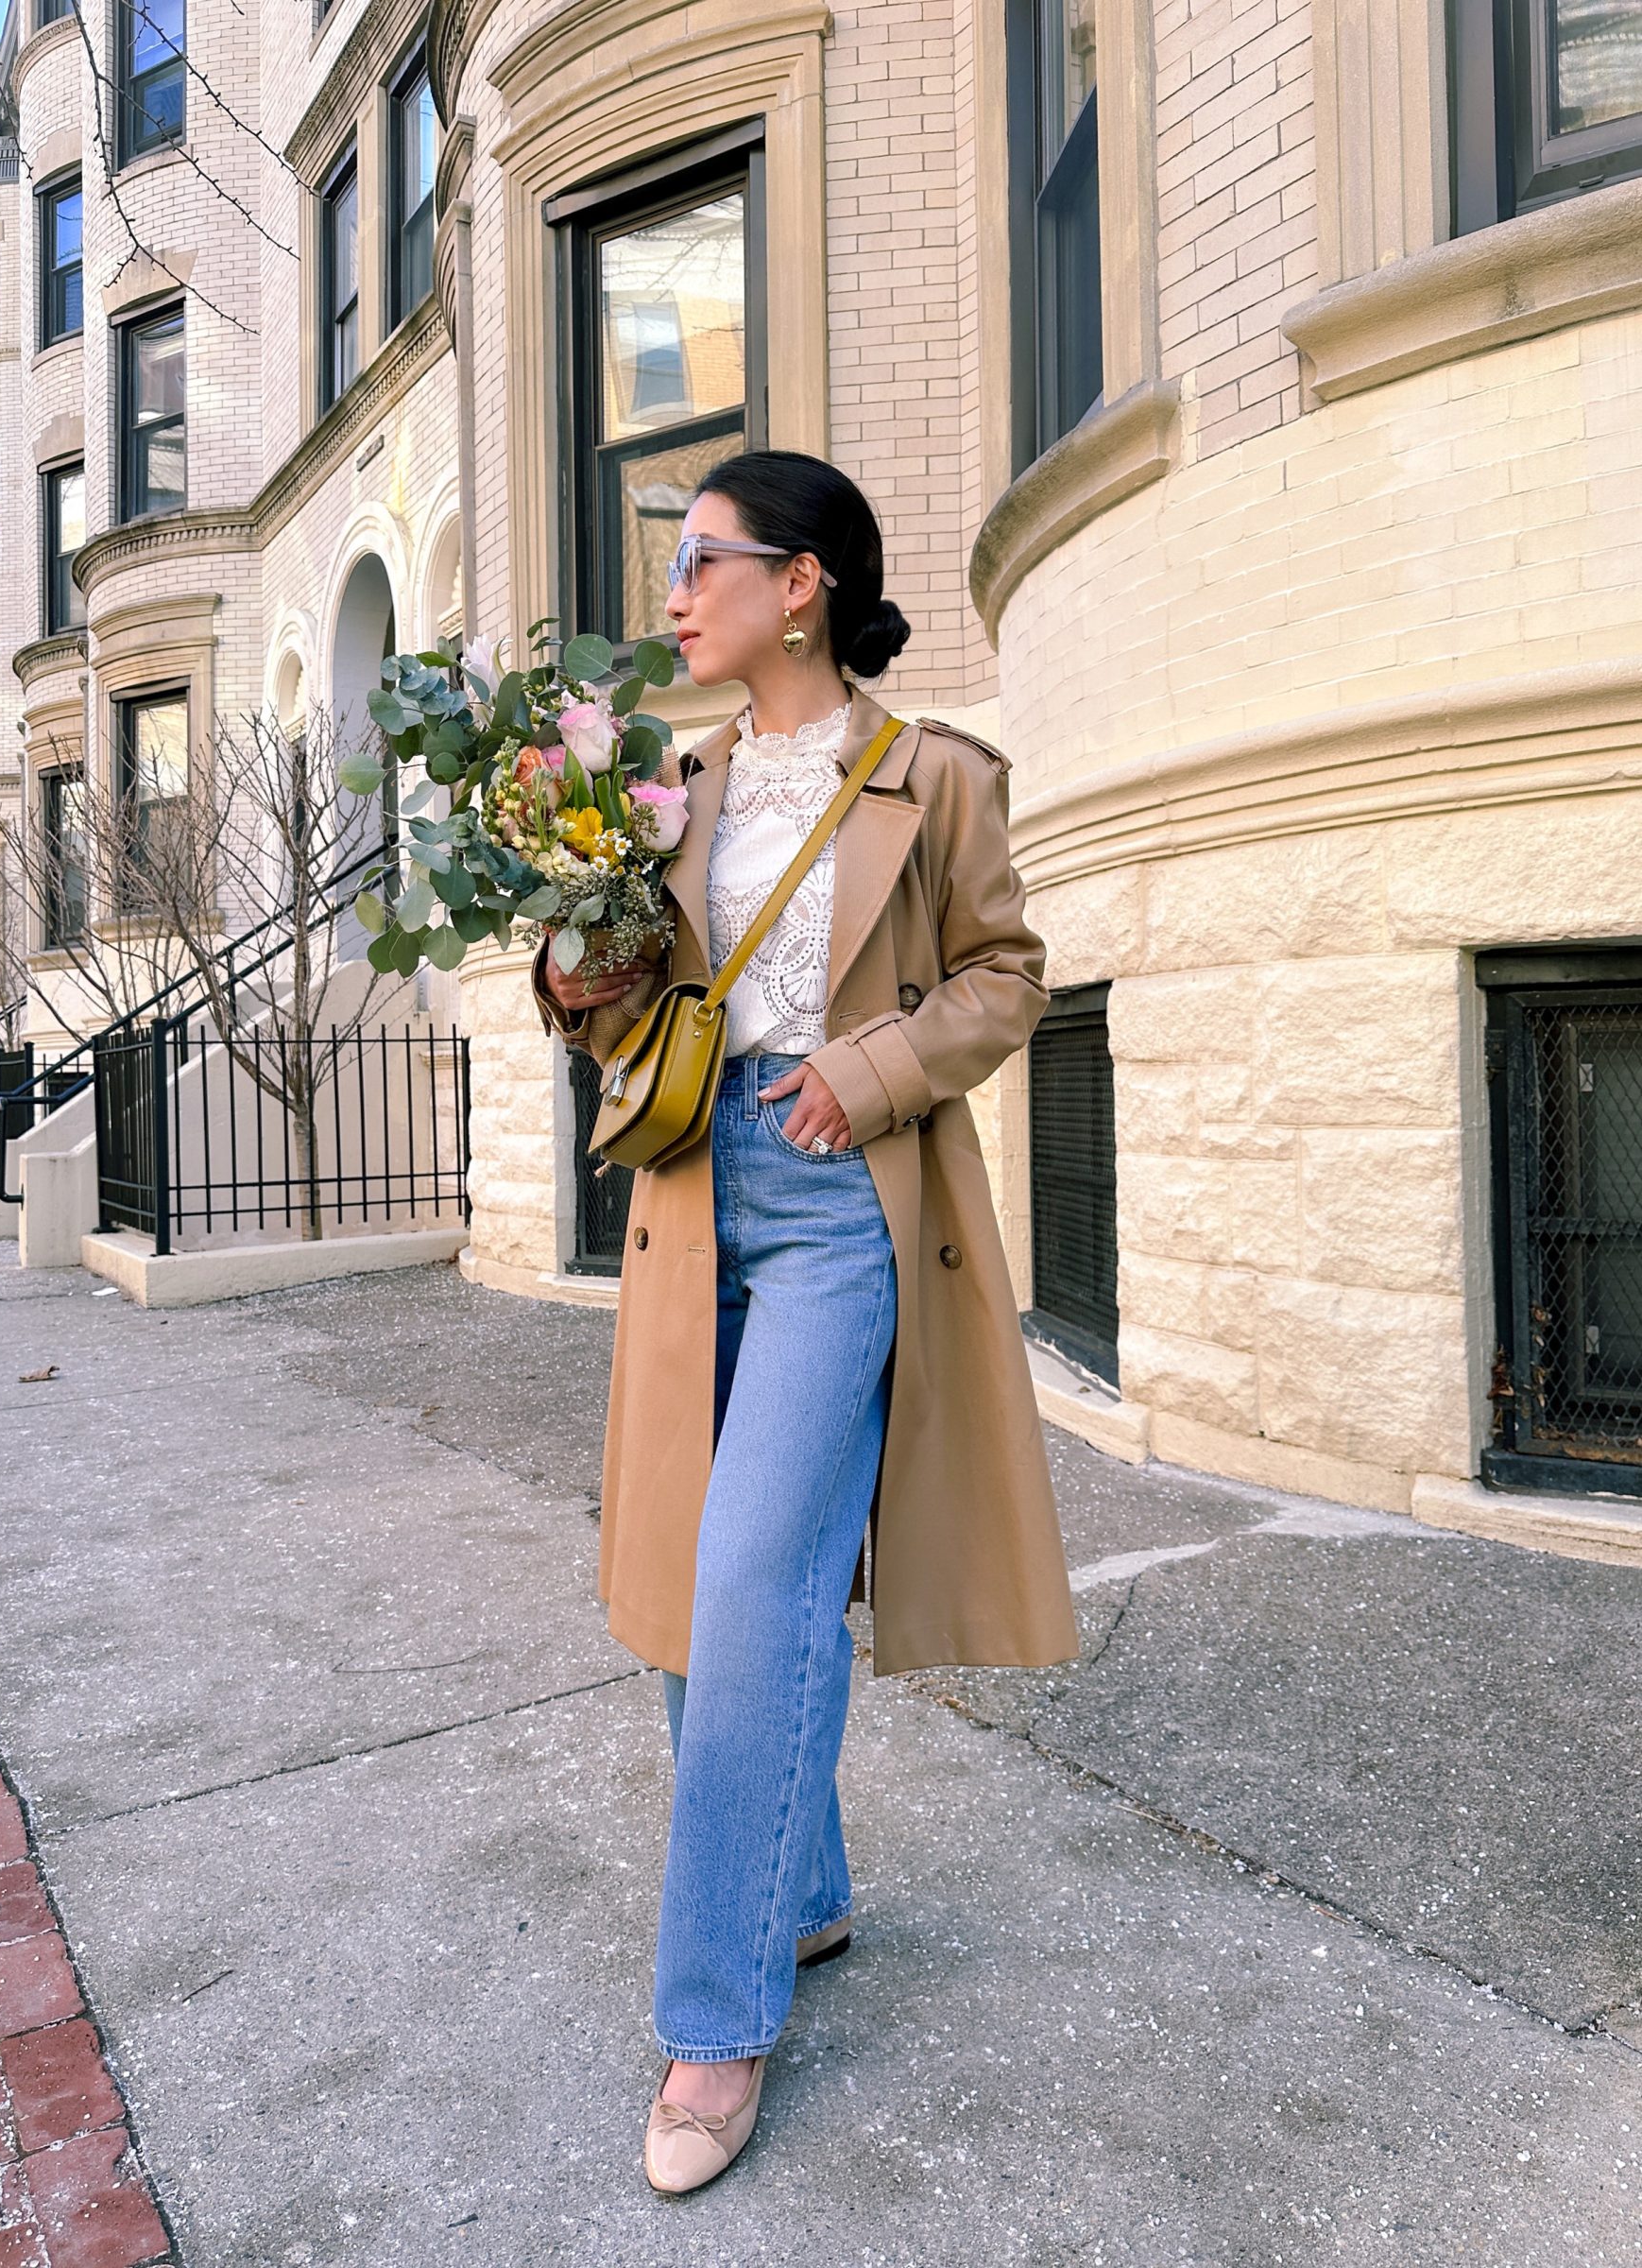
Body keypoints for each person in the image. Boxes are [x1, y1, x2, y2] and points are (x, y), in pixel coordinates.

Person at [530, 448, 1080, 2195]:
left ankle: (716, 2021)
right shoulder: (667, 788)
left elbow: (1007, 974)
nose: (673, 593)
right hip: (692, 1201)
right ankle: (808, 1890)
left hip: (848, 1205)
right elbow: (620, 1000)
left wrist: (869, 1071)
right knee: (695, 1594)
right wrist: (578, 966)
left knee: (761, 1582)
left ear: (803, 585)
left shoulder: (933, 778)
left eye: (702, 560)